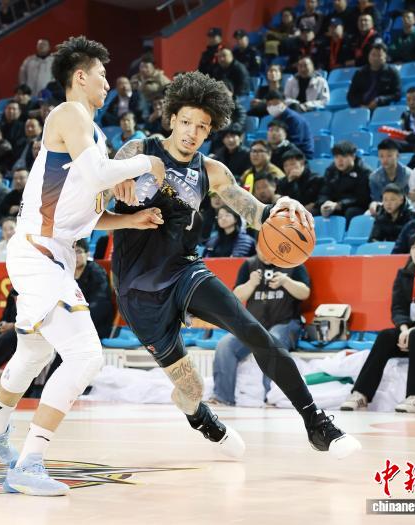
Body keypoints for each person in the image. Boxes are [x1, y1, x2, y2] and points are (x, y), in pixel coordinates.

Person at [111, 71, 359, 470]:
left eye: (202, 127)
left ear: (210, 131)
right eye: (187, 122)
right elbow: (98, 190)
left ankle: (316, 423)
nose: (193, 133)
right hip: (137, 290)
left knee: (253, 331)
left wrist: (282, 205)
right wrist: (113, 184)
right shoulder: (139, 150)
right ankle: (202, 418)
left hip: (185, 272)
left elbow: (256, 213)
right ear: (172, 118)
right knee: (191, 388)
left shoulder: (211, 171)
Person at [0, 36, 169, 496]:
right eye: (102, 75)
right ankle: (29, 463)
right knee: (85, 356)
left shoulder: (93, 135)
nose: (108, 83)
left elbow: (84, 213)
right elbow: (98, 176)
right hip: (39, 253)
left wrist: (129, 220)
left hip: (49, 251)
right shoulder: (69, 114)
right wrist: (147, 161)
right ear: (80, 76)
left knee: (34, 352)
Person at [341, 232, 415, 413]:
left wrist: (413, 330)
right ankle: (360, 394)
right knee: (386, 336)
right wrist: (404, 328)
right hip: (412, 332)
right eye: (413, 247)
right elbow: (398, 308)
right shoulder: (405, 274)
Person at [211, 250, 310, 405]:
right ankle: (222, 397)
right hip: (253, 325)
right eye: (261, 247)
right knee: (225, 345)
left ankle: (270, 397)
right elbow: (236, 297)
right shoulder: (249, 265)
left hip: (285, 323)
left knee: (273, 340)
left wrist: (286, 281)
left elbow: (305, 293)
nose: (265, 252)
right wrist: (251, 284)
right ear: (257, 246)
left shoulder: (292, 263)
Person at [317, 141, 372, 223]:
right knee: (314, 212)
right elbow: (324, 192)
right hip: (334, 205)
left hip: (355, 206)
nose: (340, 160)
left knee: (351, 212)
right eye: (336, 157)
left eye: (344, 156)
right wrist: (325, 203)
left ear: (353, 156)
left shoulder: (364, 172)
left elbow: (362, 199)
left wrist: (340, 205)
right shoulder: (331, 170)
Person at [73, 239, 113, 338]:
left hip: (96, 325)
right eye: (71, 252)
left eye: (78, 252)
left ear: (87, 254)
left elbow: (100, 302)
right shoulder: (67, 273)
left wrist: (79, 320)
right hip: (74, 323)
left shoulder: (96, 272)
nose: (74, 256)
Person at [347, 42, 401, 110]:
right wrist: (360, 105)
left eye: (379, 55)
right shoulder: (360, 73)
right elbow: (351, 96)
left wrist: (380, 100)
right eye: (373, 55)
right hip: (361, 108)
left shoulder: (392, 72)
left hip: (382, 108)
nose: (375, 58)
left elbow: (397, 95)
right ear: (368, 56)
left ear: (385, 57)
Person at [264, 91, 314, 159]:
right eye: (269, 105)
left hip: (301, 154)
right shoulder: (276, 118)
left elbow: (296, 143)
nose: (272, 107)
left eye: (275, 104)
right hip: (283, 150)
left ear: (284, 103)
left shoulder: (294, 119)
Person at [368, 138, 411, 210]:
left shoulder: (409, 174)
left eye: (389, 156)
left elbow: (409, 199)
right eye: (381, 156)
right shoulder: (374, 177)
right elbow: (377, 200)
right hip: (383, 209)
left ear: (397, 156)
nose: (385, 160)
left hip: (404, 209)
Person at [276, 148, 322, 213]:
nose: (289, 168)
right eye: (285, 165)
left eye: (292, 164)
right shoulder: (282, 182)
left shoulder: (316, 179)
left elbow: (306, 201)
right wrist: (290, 183)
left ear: (302, 163)